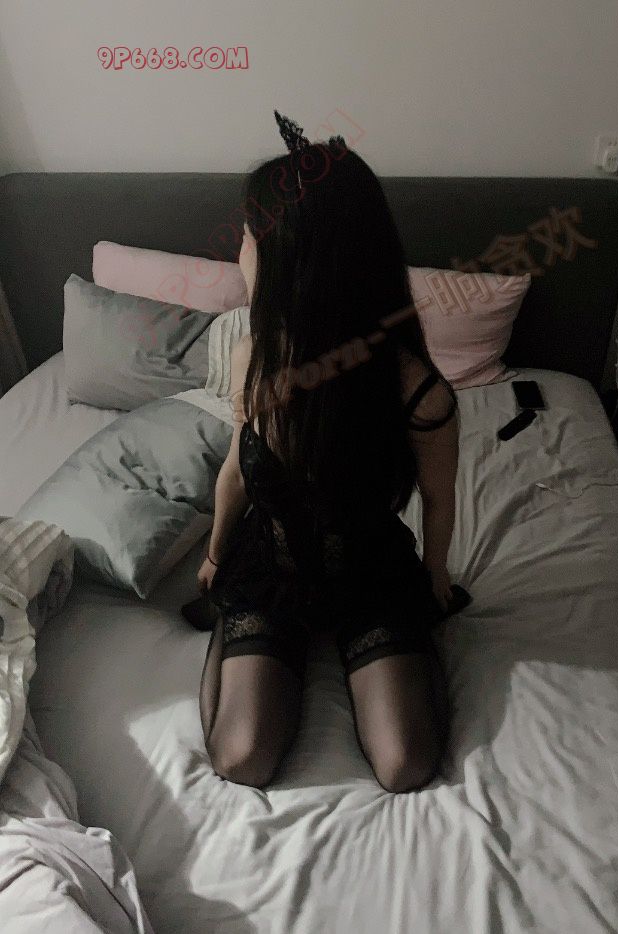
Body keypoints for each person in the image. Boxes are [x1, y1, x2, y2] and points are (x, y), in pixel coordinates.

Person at [196, 111, 461, 794]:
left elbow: (439, 498)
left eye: (250, 236)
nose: (240, 251)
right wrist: (217, 555)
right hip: (272, 564)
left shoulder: (417, 391)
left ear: (297, 259)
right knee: (242, 756)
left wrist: (435, 578)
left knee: (405, 764)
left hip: (369, 572)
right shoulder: (255, 356)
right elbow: (238, 467)